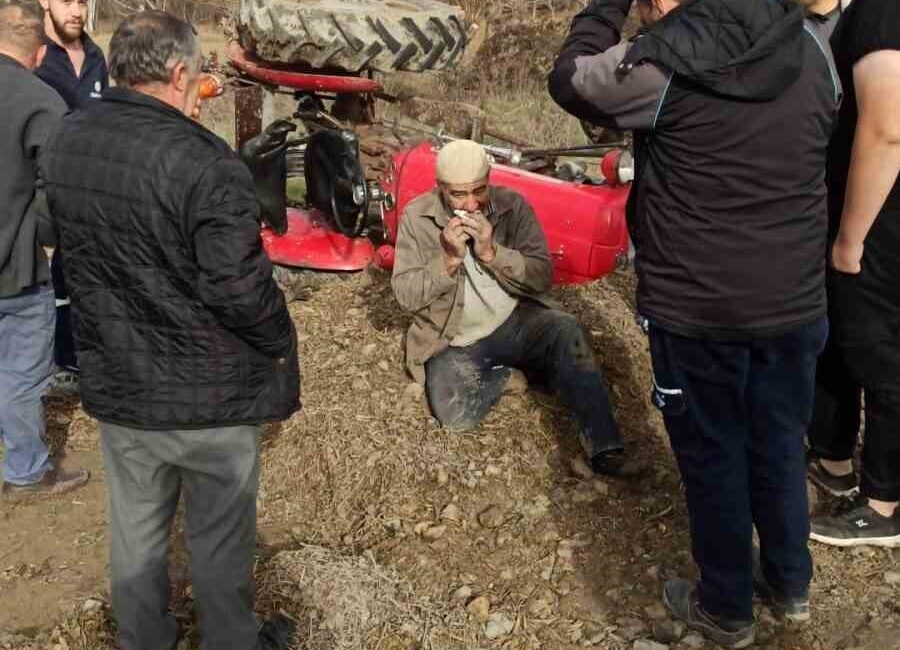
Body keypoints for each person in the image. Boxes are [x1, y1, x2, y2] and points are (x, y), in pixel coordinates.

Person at [549, 0, 839, 647]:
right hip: (793, 301)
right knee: (779, 442)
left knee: (714, 457)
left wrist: (603, 9)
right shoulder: (812, 44)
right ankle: (790, 585)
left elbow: (570, 80)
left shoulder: (663, 62)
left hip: (699, 308)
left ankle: (726, 608)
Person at [41, 11, 299, 650]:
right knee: (216, 535)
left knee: (136, 529)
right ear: (181, 72)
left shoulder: (68, 139)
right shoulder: (207, 164)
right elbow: (239, 288)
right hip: (208, 392)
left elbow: (58, 234)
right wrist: (279, 342)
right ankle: (231, 641)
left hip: (120, 376)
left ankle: (143, 639)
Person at [391, 139, 635, 478]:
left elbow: (542, 276)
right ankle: (508, 376)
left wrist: (492, 252)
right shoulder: (418, 217)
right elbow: (405, 295)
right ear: (440, 188)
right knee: (455, 415)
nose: (472, 203)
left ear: (490, 179)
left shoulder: (512, 206)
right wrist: (447, 260)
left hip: (512, 320)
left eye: (480, 190)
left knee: (566, 330)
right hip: (455, 337)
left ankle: (605, 447)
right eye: (458, 194)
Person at [807, 0, 900, 548]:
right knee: (842, 339)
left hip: (880, 223)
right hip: (861, 213)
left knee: (882, 357)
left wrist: (850, 238)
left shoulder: (883, 11)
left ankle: (884, 503)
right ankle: (835, 459)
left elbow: (887, 131)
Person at [0, 1, 88, 497]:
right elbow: (58, 189)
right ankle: (27, 471)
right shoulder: (41, 100)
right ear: (38, 51)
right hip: (16, 267)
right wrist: (42, 236)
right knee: (20, 371)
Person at [34, 0, 109, 395]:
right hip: (38, 188)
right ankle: (43, 363)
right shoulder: (31, 55)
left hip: (89, 189)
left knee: (80, 273)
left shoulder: (97, 57)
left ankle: (76, 359)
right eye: (67, 1)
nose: (76, 10)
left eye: (82, 2)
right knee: (37, 280)